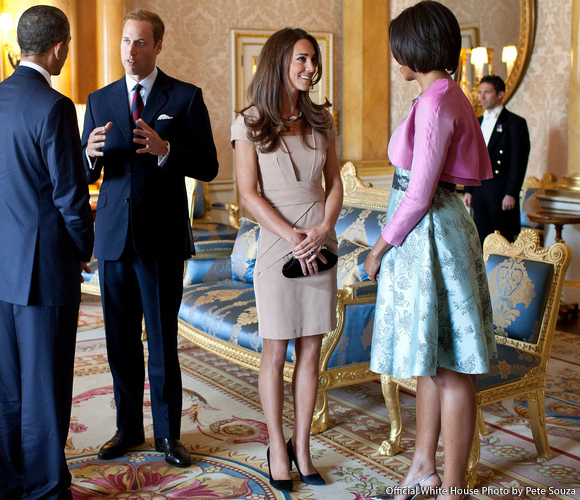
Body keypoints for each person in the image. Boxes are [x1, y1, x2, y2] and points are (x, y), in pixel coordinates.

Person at [363, 3, 497, 500]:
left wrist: (378, 249)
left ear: (416, 47)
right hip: (432, 233)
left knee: (451, 366)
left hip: (431, 236)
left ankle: (454, 486)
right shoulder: (442, 95)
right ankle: (422, 467)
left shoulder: (438, 102)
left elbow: (418, 194)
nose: (394, 52)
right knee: (432, 357)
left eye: (399, 43)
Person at [82, 9, 218, 468]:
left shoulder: (184, 97)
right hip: (114, 242)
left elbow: (209, 166)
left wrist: (167, 152)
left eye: (140, 42)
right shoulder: (99, 100)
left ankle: (167, 437)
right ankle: (127, 429)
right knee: (119, 341)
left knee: (160, 343)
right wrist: (89, 155)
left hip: (161, 242)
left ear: (158, 46)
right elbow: (87, 171)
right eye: (125, 41)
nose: (130, 51)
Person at [232, 28, 342, 493]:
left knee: (312, 349)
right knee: (276, 349)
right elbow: (247, 193)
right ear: (280, 61)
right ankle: (277, 445)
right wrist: (291, 233)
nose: (310, 68)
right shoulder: (249, 121)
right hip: (279, 242)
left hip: (319, 240)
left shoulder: (322, 119)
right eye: (301, 59)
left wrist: (320, 228)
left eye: (313, 60)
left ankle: (303, 447)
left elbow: (336, 183)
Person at [0, 6, 94, 499]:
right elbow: (70, 198)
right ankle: (46, 490)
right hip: (44, 271)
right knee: (45, 388)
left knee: (8, 388)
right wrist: (83, 249)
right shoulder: (54, 107)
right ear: (58, 46)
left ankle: (10, 482)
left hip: (2, 267)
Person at [463, 74, 530, 244]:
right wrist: (468, 189)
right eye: (480, 92)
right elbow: (473, 158)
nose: (482, 97)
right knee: (481, 241)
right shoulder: (477, 122)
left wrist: (511, 193)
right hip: (480, 191)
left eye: (487, 92)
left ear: (500, 94)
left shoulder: (515, 123)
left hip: (501, 192)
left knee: (504, 242)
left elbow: (518, 162)